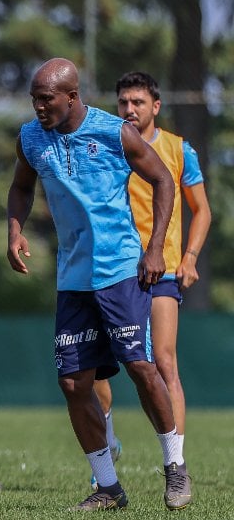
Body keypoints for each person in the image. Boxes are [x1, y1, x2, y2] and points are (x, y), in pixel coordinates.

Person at [7, 57, 189, 511]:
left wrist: (155, 248)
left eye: (46, 99)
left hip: (120, 269)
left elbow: (163, 180)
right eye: (33, 100)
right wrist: (14, 230)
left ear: (72, 97)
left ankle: (175, 464)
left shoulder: (115, 132)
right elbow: (22, 186)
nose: (38, 107)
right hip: (73, 278)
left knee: (141, 367)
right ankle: (108, 487)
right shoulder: (30, 138)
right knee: (73, 383)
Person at [90, 72, 210, 491]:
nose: (129, 109)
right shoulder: (108, 144)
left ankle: (176, 464)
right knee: (95, 369)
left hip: (162, 270)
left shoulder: (178, 149)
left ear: (155, 106)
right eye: (123, 102)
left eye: (138, 102)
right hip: (113, 268)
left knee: (163, 361)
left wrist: (190, 257)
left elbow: (202, 209)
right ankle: (106, 439)